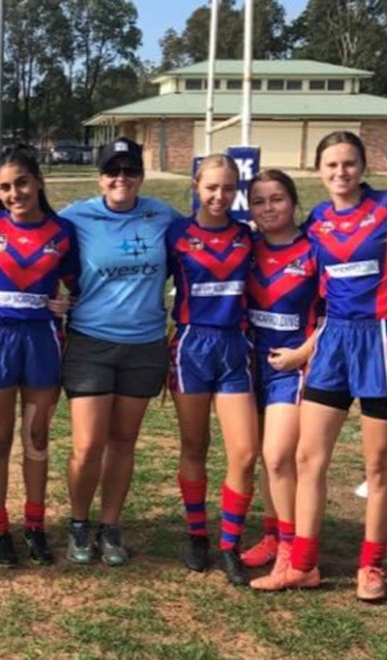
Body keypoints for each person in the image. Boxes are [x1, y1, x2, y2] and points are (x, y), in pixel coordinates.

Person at [255, 131, 387, 602]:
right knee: (308, 458)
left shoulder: (384, 209)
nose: (340, 172)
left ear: (363, 166)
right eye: (331, 165)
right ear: (319, 170)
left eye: (348, 163)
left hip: (380, 342)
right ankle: (303, 565)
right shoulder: (317, 222)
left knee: (378, 465)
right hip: (331, 344)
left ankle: (371, 566)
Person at [62, 137, 179, 566]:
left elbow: (201, 241)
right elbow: (35, 244)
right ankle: (78, 522)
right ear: (100, 177)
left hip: (144, 344)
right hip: (90, 342)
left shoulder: (163, 215)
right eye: (113, 170)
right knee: (88, 444)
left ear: (141, 176)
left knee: (124, 441)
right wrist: (53, 296)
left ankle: (110, 526)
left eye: (130, 170)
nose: (121, 178)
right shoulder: (75, 216)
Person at [0, 145, 79, 567]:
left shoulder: (62, 232)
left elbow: (76, 284)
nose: (14, 194)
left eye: (21, 183)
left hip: (42, 344)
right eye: (4, 187)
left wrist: (68, 301)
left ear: (38, 182)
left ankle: (35, 526)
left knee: (36, 437)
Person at [167, 153, 258, 586]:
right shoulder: (176, 234)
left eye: (228, 188)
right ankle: (197, 535)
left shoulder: (247, 236)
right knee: (195, 446)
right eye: (211, 187)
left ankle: (230, 545)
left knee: (245, 452)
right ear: (196, 187)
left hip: (234, 346)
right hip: (191, 346)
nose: (219, 195)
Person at [240, 170, 321, 587]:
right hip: (249, 364)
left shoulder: (313, 249)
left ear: (293, 201)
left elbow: (338, 312)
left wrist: (303, 353)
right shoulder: (248, 249)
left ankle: (293, 553)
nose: (268, 208)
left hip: (291, 367)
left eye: (277, 199)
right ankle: (273, 535)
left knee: (277, 456)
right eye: (259, 201)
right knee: (260, 456)